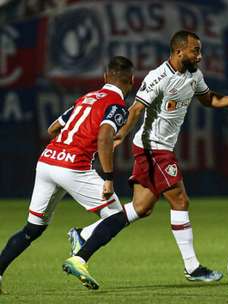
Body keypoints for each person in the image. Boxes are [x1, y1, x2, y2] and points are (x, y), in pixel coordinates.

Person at [67, 30, 228, 283]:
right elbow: (137, 108)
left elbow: (209, 100)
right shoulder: (158, 77)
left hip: (162, 149)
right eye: (195, 50)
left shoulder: (194, 75)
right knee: (180, 201)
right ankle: (192, 267)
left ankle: (84, 234)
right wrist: (121, 133)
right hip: (153, 148)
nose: (200, 56)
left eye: (200, 50)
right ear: (179, 51)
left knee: (141, 208)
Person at [0, 56, 134, 293]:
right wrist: (109, 178)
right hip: (73, 167)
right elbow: (104, 136)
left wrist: (67, 147)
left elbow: (53, 128)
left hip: (46, 161)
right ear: (131, 81)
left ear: (105, 77)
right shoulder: (117, 105)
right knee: (117, 216)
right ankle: (80, 257)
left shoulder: (85, 98)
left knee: (32, 229)